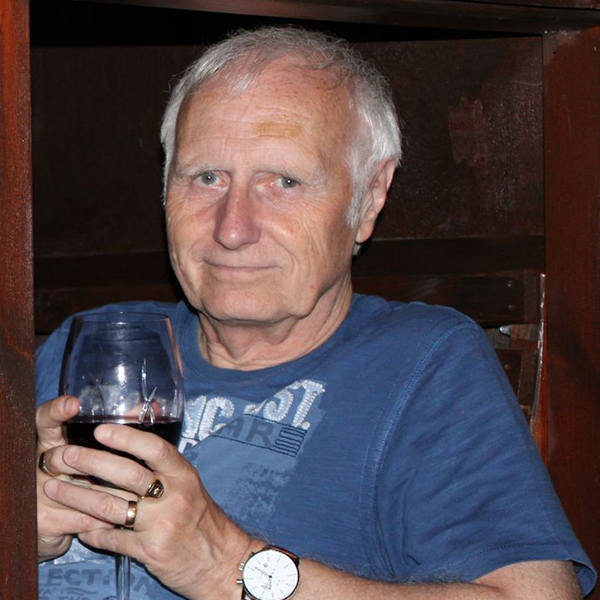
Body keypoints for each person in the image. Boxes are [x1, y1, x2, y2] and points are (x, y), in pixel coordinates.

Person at [36, 26, 595, 600]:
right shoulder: (91, 346)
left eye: (284, 181)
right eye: (207, 177)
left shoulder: (422, 363)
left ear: (369, 199)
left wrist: (225, 567)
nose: (232, 229)